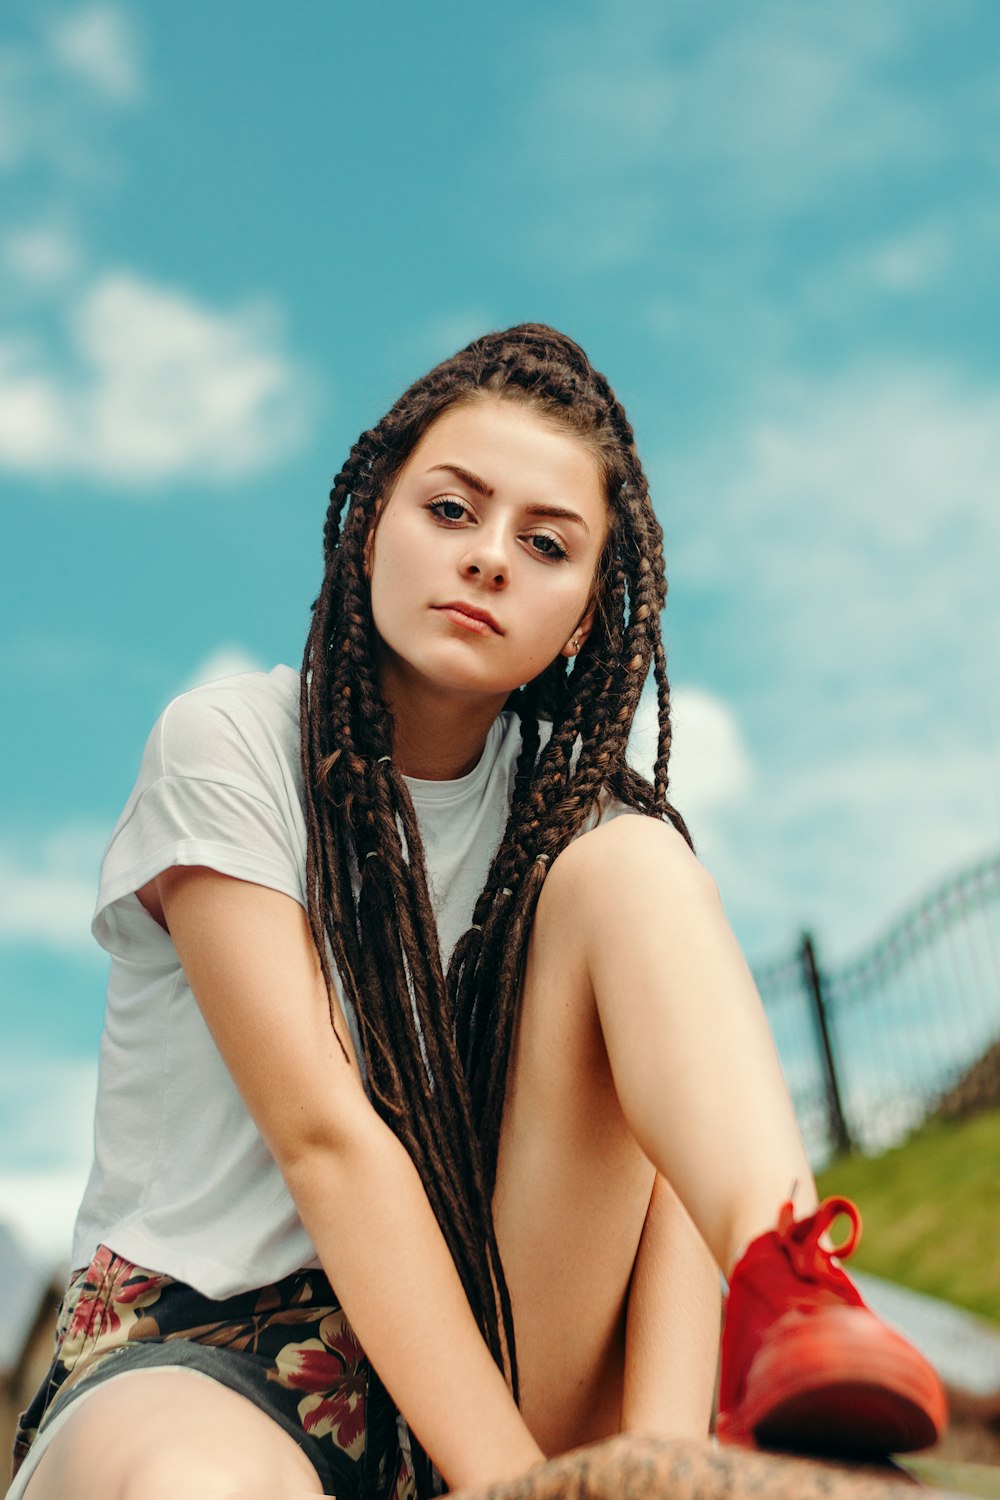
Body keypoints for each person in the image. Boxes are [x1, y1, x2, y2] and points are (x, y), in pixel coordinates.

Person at [9, 326, 946, 1500]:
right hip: (208, 1355)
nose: (490, 558)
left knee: (639, 868)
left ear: (589, 618)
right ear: (366, 532)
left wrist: (655, 1466)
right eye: (451, 512)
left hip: (500, 1336)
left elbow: (658, 1178)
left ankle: (795, 1286)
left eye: (544, 543)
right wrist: (512, 1487)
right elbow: (328, 1143)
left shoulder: (586, 827)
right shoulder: (229, 745)